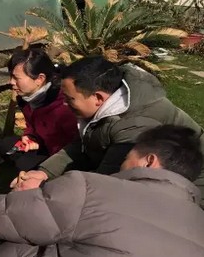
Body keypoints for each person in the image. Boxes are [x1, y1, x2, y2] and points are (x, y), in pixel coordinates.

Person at [0, 125, 204, 257]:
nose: (122, 164)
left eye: (127, 157)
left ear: (149, 161)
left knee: (17, 248)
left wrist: (21, 195)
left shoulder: (92, 188)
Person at [14, 56, 204, 206]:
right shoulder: (104, 106)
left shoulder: (133, 126)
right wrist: (45, 172)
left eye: (70, 99)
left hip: (189, 187)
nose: (65, 103)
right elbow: (83, 145)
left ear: (98, 97)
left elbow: (107, 184)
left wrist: (45, 188)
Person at [0, 48, 78, 171]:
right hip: (43, 144)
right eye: (11, 76)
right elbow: (32, 125)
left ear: (39, 79)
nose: (11, 82)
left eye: (16, 78)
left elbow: (74, 145)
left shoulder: (63, 106)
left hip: (62, 153)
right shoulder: (26, 99)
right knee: (5, 145)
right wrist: (30, 136)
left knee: (24, 165)